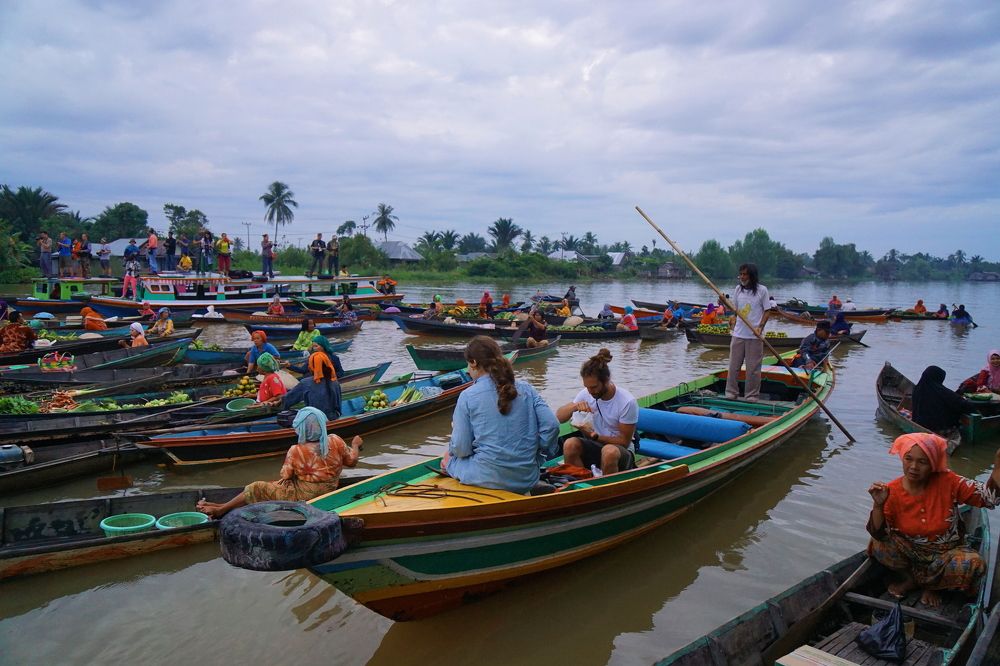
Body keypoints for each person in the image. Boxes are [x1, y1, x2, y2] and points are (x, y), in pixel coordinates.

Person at [867, 433, 1000, 607]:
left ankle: (933, 586)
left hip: (946, 555)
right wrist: (878, 505)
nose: (913, 467)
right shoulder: (891, 490)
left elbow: (988, 499)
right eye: (909, 459)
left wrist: (998, 465)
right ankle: (912, 579)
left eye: (922, 462)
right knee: (876, 544)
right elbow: (878, 533)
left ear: (932, 463)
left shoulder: (948, 481)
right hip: (911, 554)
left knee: (975, 564)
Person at [196, 407, 362, 519]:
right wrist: (355, 445)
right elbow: (352, 462)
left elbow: (285, 475)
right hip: (330, 488)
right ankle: (221, 505)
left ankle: (220, 510)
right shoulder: (336, 440)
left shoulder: (296, 450)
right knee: (273, 485)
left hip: (305, 496)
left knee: (256, 487)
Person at [442, 336, 560, 493]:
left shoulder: (467, 396)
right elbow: (552, 426)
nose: (468, 370)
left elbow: (461, 449)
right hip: (526, 477)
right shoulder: (527, 389)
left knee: (447, 459)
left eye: (467, 365)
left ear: (473, 363)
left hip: (485, 477)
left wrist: (452, 450)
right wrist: (537, 456)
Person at [556, 349, 638, 476]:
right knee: (569, 444)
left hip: (621, 451)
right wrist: (574, 406)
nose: (590, 391)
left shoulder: (627, 402)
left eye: (594, 387)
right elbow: (559, 417)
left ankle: (607, 490)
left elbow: (624, 442)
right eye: (587, 387)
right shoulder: (586, 393)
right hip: (596, 445)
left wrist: (594, 435)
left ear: (606, 380)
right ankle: (582, 485)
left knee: (609, 452)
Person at [726, 263, 772, 402]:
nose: (742, 277)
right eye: (741, 274)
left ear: (752, 276)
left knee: (753, 369)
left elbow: (767, 310)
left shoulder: (762, 290)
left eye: (745, 274)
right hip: (738, 334)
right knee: (733, 366)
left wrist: (760, 327)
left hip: (754, 336)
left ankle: (751, 396)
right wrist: (724, 303)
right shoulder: (738, 290)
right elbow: (735, 310)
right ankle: (731, 393)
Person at [281, 336, 344, 419]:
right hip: (332, 417)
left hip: (315, 418)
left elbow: (287, 400)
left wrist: (281, 404)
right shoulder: (335, 383)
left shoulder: (306, 383)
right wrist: (289, 366)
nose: (314, 348)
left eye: (316, 346)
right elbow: (338, 406)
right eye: (313, 346)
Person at [911, 365, 974, 435]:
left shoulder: (917, 389)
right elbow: (965, 406)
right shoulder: (941, 391)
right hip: (938, 429)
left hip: (918, 424)